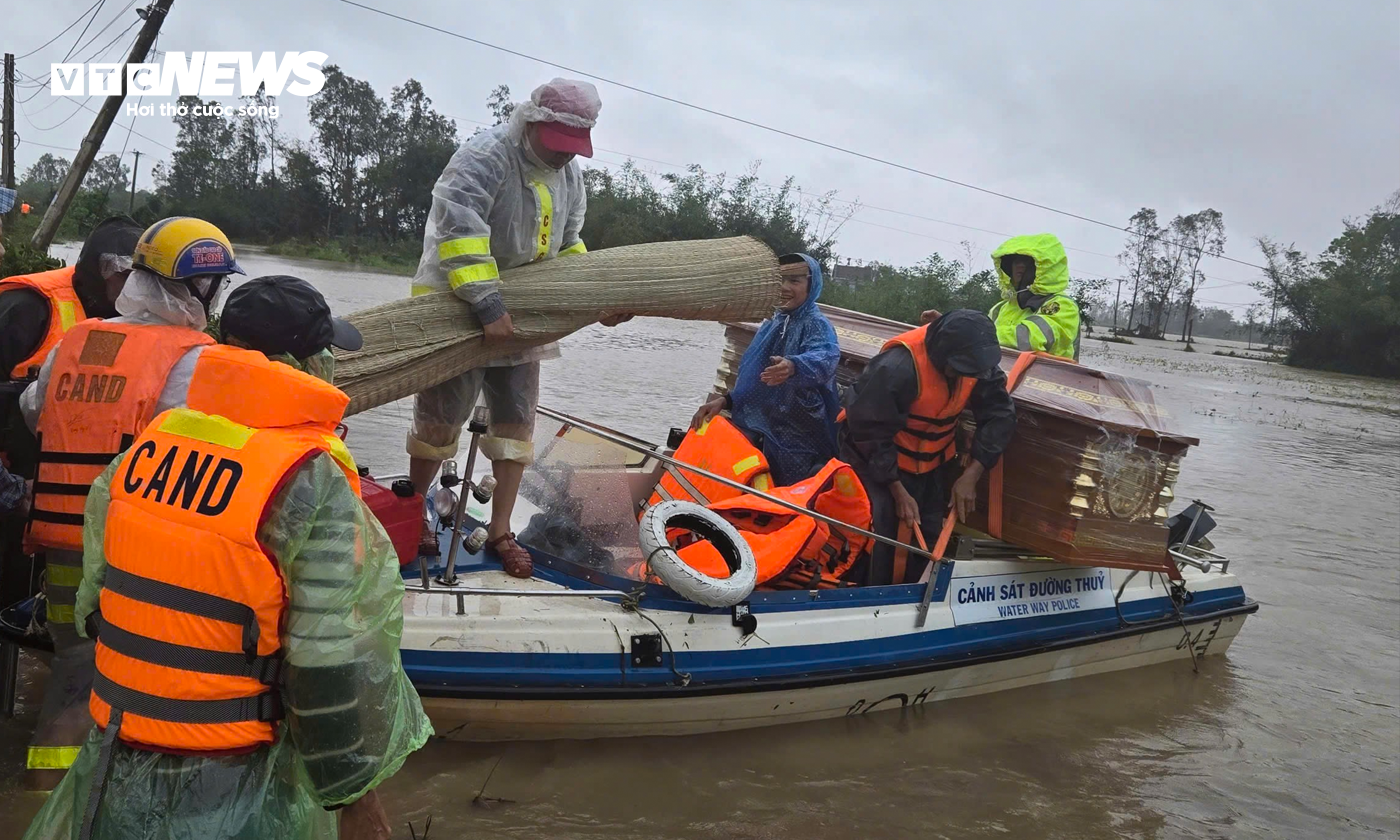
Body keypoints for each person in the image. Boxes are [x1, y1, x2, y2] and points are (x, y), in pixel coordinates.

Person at [21, 275, 431, 840]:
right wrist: (354, 798)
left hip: (114, 763)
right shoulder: (304, 480)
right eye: (327, 350)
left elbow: (96, 606)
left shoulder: (147, 450)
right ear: (303, 362)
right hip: (231, 773)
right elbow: (327, 665)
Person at [16, 217, 241, 789]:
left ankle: (47, 798)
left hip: (63, 545)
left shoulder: (78, 338)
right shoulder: (192, 360)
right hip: (128, 550)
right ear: (201, 287)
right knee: (108, 679)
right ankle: (65, 805)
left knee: (72, 663)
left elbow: (32, 411)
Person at [407, 77, 622, 578]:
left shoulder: (569, 177)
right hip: (456, 306)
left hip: (525, 314)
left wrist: (597, 299)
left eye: (576, 149)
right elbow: (458, 231)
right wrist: (485, 303)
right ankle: (413, 508)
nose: (567, 157)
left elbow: (569, 244)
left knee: (515, 425)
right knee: (439, 422)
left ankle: (500, 528)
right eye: (560, 145)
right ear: (533, 122)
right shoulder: (486, 156)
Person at [0, 216, 143, 616]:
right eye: (126, 276)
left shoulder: (124, 320)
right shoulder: (28, 308)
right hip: (11, 483)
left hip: (54, 494)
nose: (136, 289)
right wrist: (10, 489)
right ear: (101, 272)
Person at [839, 310, 1016, 586]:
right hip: (875, 455)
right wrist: (898, 491)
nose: (964, 375)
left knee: (929, 530)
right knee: (881, 527)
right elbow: (870, 431)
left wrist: (972, 474)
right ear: (943, 354)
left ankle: (918, 595)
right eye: (959, 368)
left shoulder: (979, 363)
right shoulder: (898, 366)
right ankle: (868, 595)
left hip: (933, 460)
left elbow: (1000, 415)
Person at [692, 253, 841, 486]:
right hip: (757, 428)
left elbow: (826, 357)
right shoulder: (773, 321)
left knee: (784, 500)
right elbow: (753, 375)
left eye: (795, 281)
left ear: (812, 286)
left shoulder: (816, 325)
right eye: (780, 279)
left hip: (797, 439)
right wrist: (726, 400)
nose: (784, 287)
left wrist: (794, 365)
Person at [985, 233, 1081, 359]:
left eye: (1028, 262)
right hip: (1002, 373)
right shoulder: (1000, 307)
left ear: (1045, 268)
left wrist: (982, 335)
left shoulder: (1061, 305)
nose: (1020, 265)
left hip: (1048, 376)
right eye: (1016, 261)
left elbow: (1032, 339)